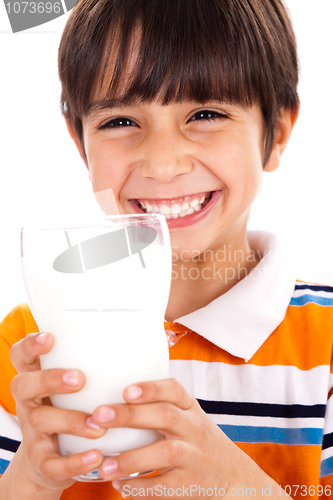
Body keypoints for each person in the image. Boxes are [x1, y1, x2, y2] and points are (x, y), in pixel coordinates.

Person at [1, 0, 333, 498]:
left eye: (205, 113)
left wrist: (238, 487)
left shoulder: (323, 346)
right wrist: (32, 476)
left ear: (277, 133)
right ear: (79, 142)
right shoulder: (30, 344)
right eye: (119, 122)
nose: (162, 164)